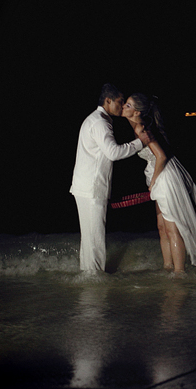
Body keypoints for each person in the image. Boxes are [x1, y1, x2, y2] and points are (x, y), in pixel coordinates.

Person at [122, 93, 196, 274]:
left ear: (137, 111)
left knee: (172, 228)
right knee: (161, 227)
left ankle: (179, 273)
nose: (124, 107)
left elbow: (161, 156)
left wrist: (154, 183)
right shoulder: (137, 125)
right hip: (158, 174)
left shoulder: (140, 128)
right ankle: (167, 267)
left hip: (165, 177)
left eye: (128, 105)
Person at [70, 83, 153, 273]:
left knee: (89, 238)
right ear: (108, 101)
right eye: (120, 101)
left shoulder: (93, 119)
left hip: (84, 185)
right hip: (92, 187)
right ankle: (96, 278)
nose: (122, 105)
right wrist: (140, 143)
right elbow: (113, 152)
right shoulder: (100, 122)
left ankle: (88, 276)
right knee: (95, 239)